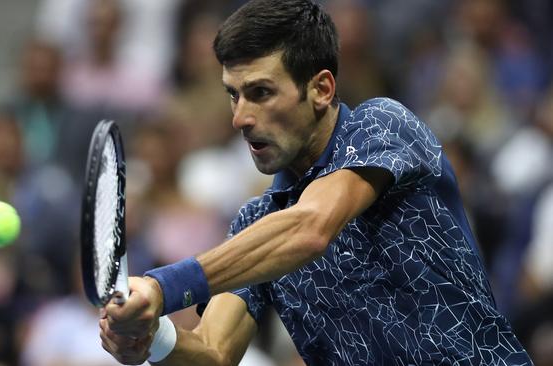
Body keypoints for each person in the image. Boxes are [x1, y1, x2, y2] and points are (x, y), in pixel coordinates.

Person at [99, 0, 532, 364]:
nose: (240, 118)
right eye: (234, 94)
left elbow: (310, 228)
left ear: (322, 89)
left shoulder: (382, 125)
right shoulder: (258, 224)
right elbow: (214, 351)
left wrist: (162, 286)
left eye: (261, 92)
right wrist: (151, 336)